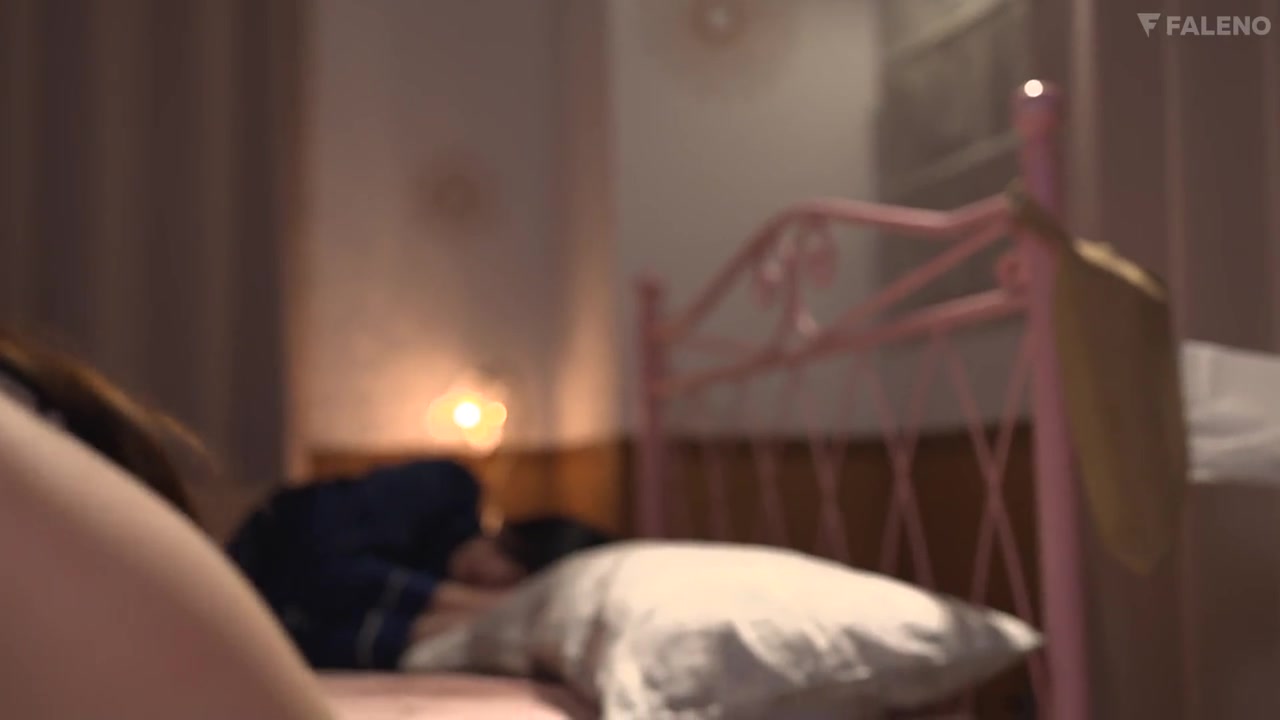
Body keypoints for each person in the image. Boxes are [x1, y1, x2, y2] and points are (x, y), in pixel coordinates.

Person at [0, 330, 614, 670]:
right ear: (516, 548)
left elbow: (314, 632)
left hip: (253, 605)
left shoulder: (411, 609)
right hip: (248, 545)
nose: (491, 588)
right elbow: (322, 550)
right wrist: (475, 606)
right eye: (513, 581)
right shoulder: (447, 491)